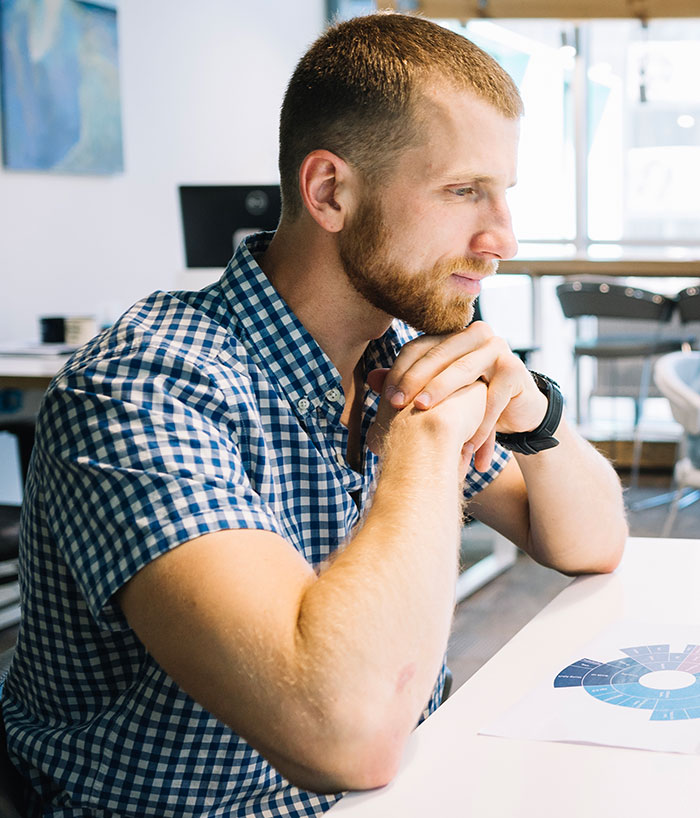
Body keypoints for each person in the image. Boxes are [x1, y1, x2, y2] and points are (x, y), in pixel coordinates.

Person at [3, 12, 627, 818]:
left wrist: (533, 410)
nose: (502, 236)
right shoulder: (142, 389)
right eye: (463, 191)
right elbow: (347, 740)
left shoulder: (393, 351)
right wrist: (427, 438)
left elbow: (589, 539)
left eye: (503, 194)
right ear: (330, 191)